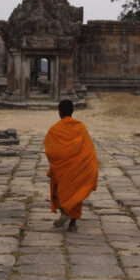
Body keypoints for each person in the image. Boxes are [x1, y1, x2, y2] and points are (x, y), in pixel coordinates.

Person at [44, 99, 99, 232]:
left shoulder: (54, 130)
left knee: (60, 188)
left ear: (59, 112)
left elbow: (50, 151)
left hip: (63, 168)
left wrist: (58, 162)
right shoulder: (80, 127)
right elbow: (88, 149)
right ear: (73, 111)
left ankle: (65, 211)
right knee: (76, 190)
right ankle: (72, 224)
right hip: (79, 166)